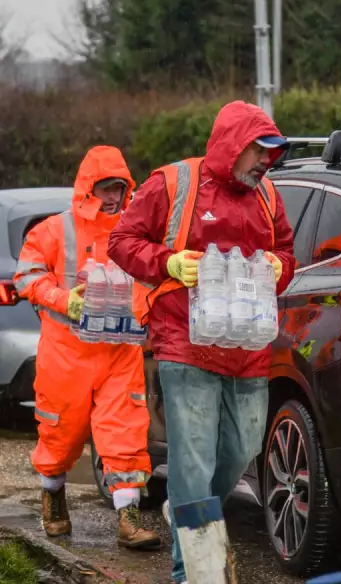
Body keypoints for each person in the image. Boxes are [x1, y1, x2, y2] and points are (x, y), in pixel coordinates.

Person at [107, 100, 296, 584]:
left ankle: (186, 511)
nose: (266, 162)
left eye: (273, 154)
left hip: (248, 346)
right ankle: (192, 570)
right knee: (193, 458)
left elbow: (286, 253)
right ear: (235, 144)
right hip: (183, 341)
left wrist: (280, 268)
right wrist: (168, 262)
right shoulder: (174, 183)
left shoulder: (269, 196)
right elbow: (122, 241)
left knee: (239, 451)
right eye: (260, 151)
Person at [13, 146, 161, 550]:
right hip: (66, 354)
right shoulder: (53, 230)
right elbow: (27, 278)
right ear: (87, 189)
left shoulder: (135, 231)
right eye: (105, 188)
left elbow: (153, 278)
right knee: (61, 433)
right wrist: (66, 300)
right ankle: (53, 494)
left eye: (119, 188)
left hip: (119, 351)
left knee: (126, 432)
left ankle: (129, 518)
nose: (113, 197)